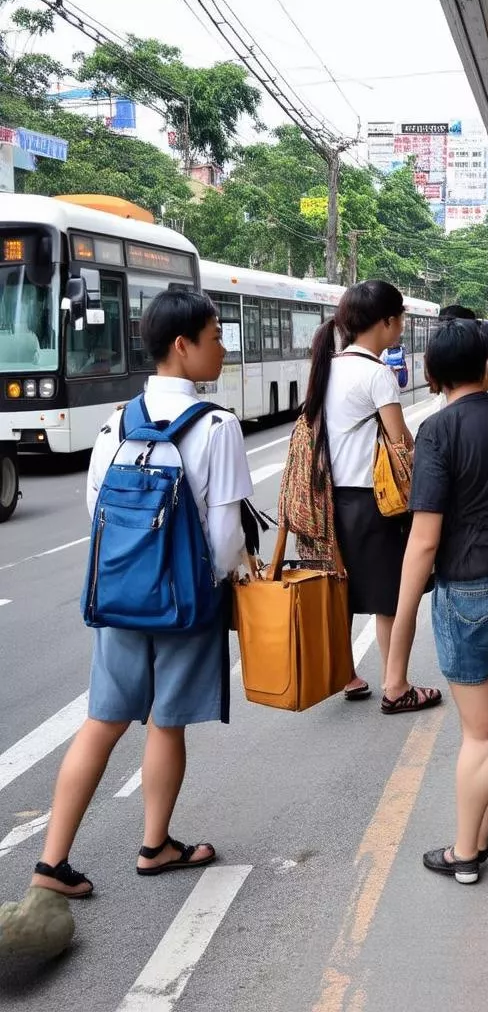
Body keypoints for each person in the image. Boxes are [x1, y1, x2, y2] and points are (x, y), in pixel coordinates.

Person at [30, 290, 253, 899]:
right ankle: (156, 846)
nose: (222, 348)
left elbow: (95, 508)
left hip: (120, 599)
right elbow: (226, 538)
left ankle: (52, 863)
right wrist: (212, 591)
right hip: (185, 603)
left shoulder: (115, 421)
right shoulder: (217, 426)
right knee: (165, 723)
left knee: (101, 724)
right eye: (213, 337)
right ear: (182, 346)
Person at [386, 319, 488, 885]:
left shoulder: (436, 430)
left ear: (430, 375)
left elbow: (425, 538)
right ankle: (474, 847)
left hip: (467, 589)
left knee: (480, 734)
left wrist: (398, 646)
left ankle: (462, 848)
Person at [304, 279, 442, 713]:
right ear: (387, 321)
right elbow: (400, 443)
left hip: (329, 501)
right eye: (399, 318)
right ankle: (395, 684)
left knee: (340, 589)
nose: (400, 327)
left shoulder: (329, 366)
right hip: (374, 502)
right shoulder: (377, 373)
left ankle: (347, 675)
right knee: (389, 595)